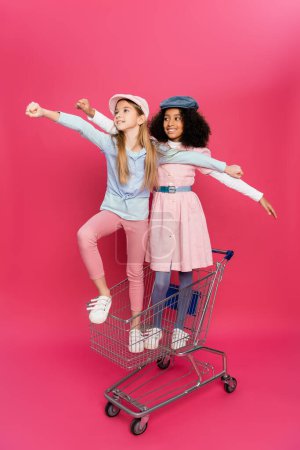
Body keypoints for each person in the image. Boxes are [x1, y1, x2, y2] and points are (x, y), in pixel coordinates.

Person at [25, 95, 242, 353]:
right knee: (85, 234)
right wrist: (44, 112)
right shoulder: (109, 143)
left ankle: (136, 329)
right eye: (117, 111)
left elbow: (191, 159)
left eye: (124, 110)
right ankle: (104, 295)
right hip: (113, 210)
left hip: (138, 217)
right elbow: (82, 127)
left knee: (135, 273)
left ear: (141, 119)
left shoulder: (154, 149)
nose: (118, 114)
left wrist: (224, 166)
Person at [79, 95, 276, 351]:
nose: (171, 123)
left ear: (190, 122)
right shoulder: (152, 145)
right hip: (161, 208)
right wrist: (92, 113)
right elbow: (117, 130)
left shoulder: (197, 152)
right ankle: (156, 325)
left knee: (186, 274)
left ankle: (180, 327)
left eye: (178, 118)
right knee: (161, 277)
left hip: (188, 211)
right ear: (161, 121)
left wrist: (257, 195)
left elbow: (224, 175)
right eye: (168, 118)